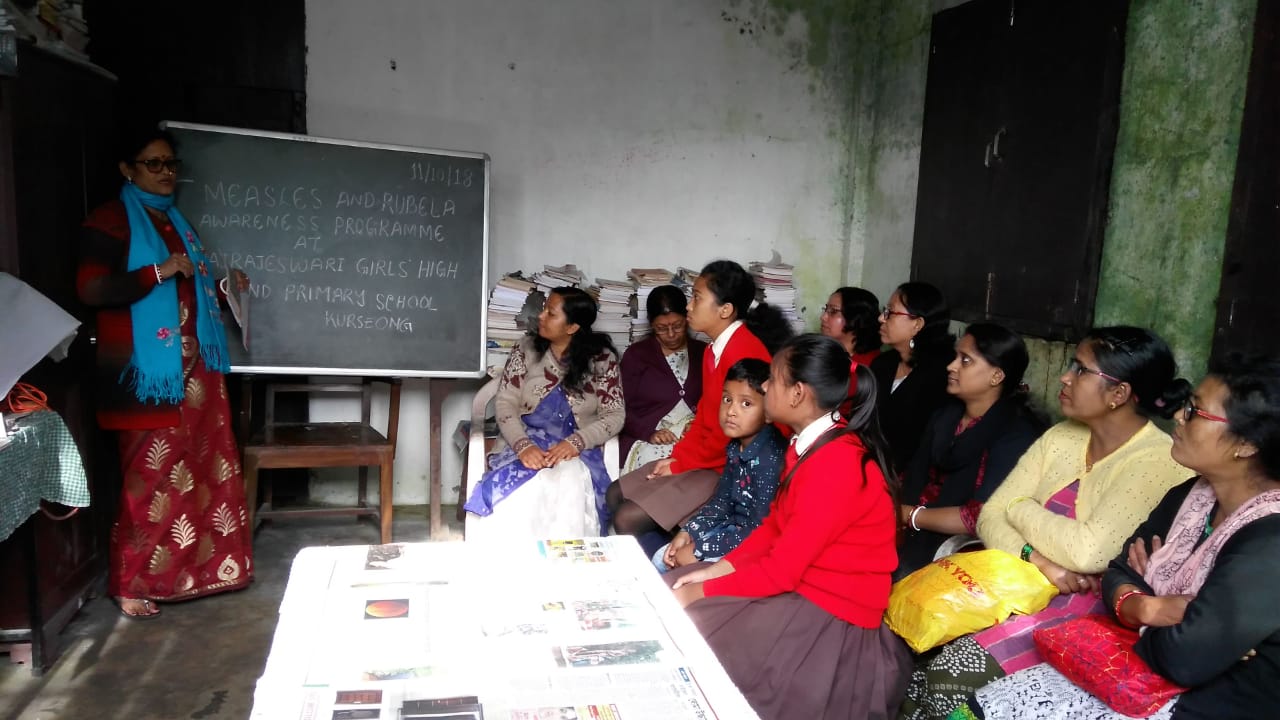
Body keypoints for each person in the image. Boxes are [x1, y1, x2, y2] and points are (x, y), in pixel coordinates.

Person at [952, 355, 1280, 719]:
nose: (1178, 416)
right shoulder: (1191, 495)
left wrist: (1147, 601)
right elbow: (1119, 570)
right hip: (1134, 673)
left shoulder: (1270, 542)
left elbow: (1184, 658)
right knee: (978, 706)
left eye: (1195, 411)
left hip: (1200, 704)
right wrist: (1149, 607)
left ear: (1246, 443)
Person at [899, 326, 1192, 720]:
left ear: (1119, 394)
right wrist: (1038, 559)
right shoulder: (1062, 436)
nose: (1065, 377)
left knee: (950, 674)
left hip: (1084, 605)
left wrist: (1019, 507)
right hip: (1015, 576)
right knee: (910, 641)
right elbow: (990, 516)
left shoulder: (1158, 460)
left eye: (1081, 370)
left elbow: (1088, 552)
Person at [667, 334, 913, 719]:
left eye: (773, 378)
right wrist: (716, 569)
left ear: (798, 393)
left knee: (693, 624)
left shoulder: (835, 463)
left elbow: (781, 572)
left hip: (829, 609)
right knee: (677, 588)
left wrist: (702, 590)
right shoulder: (813, 443)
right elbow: (774, 526)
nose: (765, 386)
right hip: (803, 583)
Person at [78, 127, 253, 619]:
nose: (165, 172)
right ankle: (134, 582)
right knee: (150, 479)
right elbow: (92, 290)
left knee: (201, 473)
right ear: (127, 169)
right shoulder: (111, 221)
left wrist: (225, 286)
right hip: (147, 375)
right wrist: (158, 271)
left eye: (171, 164)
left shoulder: (175, 221)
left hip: (196, 376)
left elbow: (189, 288)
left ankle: (205, 573)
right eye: (153, 163)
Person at [606, 260, 791, 539]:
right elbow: (705, 414)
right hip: (710, 455)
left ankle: (665, 554)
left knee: (626, 518)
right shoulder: (712, 350)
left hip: (732, 466)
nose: (689, 306)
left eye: (697, 298)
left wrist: (680, 465)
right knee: (614, 493)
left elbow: (725, 435)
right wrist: (677, 457)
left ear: (725, 310)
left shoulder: (741, 353)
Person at [463, 287, 624, 539]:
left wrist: (577, 442)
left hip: (575, 449)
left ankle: (565, 558)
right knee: (526, 492)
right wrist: (523, 446)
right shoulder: (526, 349)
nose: (541, 316)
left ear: (572, 327)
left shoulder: (601, 359)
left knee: (570, 484)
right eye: (544, 309)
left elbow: (614, 415)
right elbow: (505, 402)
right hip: (525, 442)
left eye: (551, 313)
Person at [895, 323, 1046, 579]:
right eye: (956, 357)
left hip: (961, 550)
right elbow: (911, 475)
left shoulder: (1015, 434)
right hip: (909, 525)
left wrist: (909, 514)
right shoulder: (945, 416)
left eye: (965, 360)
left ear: (996, 376)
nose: (951, 366)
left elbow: (980, 516)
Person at [655, 358, 786, 572]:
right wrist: (688, 532)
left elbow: (759, 530)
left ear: (769, 411)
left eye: (746, 404)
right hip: (730, 530)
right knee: (662, 558)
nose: (731, 411)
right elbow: (722, 502)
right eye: (727, 399)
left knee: (678, 568)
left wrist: (701, 550)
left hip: (752, 547)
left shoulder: (769, 460)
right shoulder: (736, 446)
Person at [619, 285, 706, 474]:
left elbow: (714, 401)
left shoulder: (703, 352)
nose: (671, 334)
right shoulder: (637, 356)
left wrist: (698, 424)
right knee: (657, 465)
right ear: (652, 325)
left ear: (688, 318)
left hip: (694, 434)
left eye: (678, 325)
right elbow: (620, 409)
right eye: (662, 328)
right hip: (648, 437)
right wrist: (649, 433)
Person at [871, 281, 954, 472]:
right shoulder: (882, 363)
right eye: (884, 311)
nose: (881, 318)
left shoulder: (944, 373)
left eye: (890, 312)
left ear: (917, 324)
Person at [821, 286, 883, 366]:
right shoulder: (823, 352)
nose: (823, 317)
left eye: (833, 311)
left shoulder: (872, 365)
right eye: (826, 309)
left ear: (856, 318)